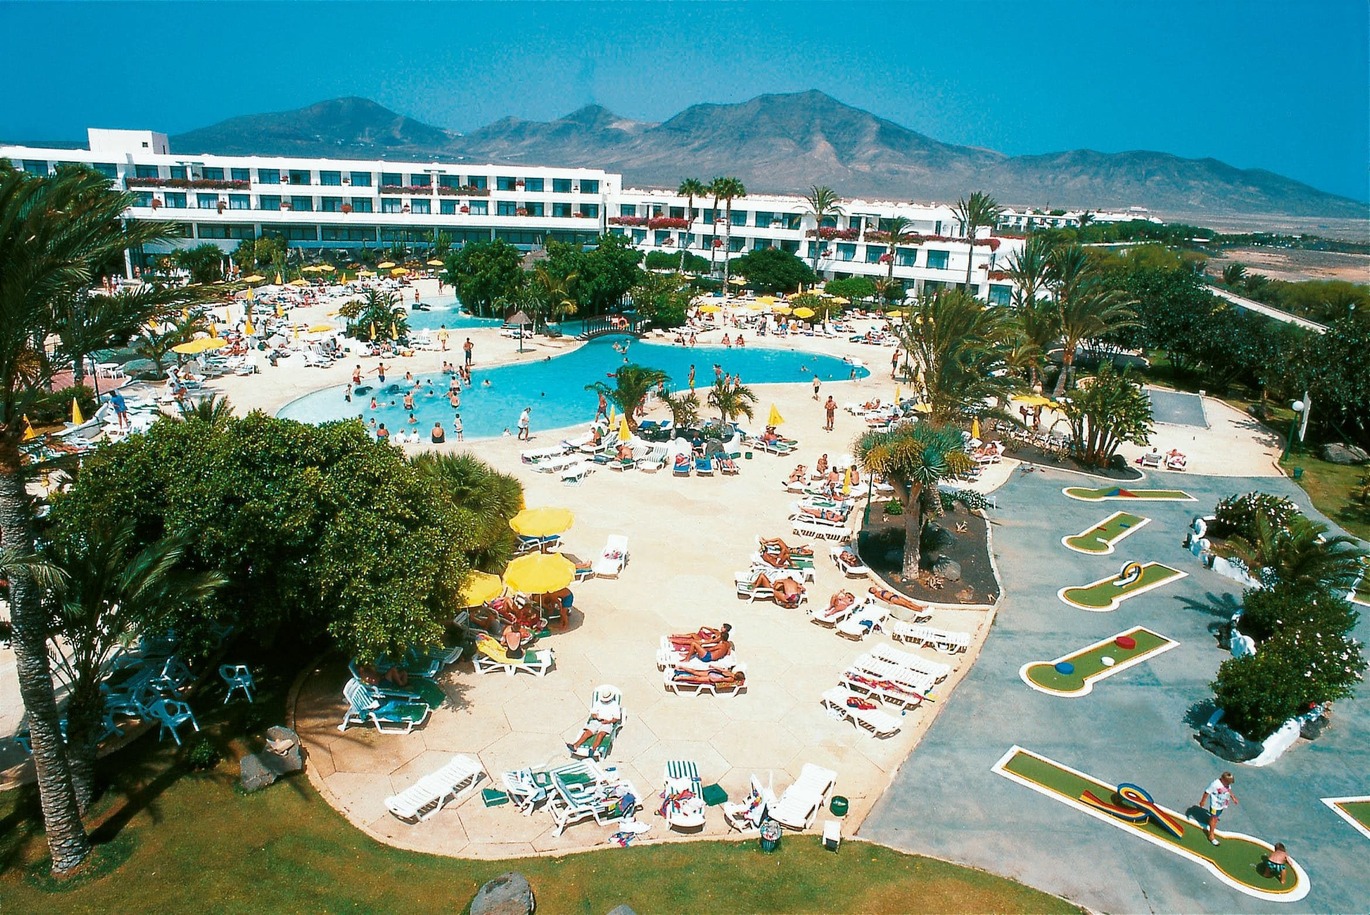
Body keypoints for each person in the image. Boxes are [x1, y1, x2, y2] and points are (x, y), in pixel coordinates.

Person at [567, 688, 622, 756]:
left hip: (607, 723)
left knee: (601, 734)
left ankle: (592, 749)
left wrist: (608, 721)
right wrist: (595, 716)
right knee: (587, 732)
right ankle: (575, 746)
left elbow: (616, 718)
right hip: (597, 721)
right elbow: (593, 713)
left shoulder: (614, 705)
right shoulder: (598, 702)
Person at [1200, 772, 1238, 846]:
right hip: (1215, 805)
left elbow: (1229, 790)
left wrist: (1233, 797)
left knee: (1216, 816)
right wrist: (1202, 801)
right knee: (1214, 818)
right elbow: (1207, 792)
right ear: (1223, 780)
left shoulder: (1227, 784)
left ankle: (1211, 820)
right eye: (1228, 783)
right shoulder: (1215, 784)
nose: (1228, 785)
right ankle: (1211, 835)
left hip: (1222, 804)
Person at [670, 666, 746, 689]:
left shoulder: (730, 673)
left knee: (694, 672)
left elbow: (721, 670)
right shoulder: (731, 679)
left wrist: (713, 667)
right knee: (695, 678)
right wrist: (713, 680)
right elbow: (721, 679)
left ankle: (680, 667)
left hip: (712, 672)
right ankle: (678, 678)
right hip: (712, 677)